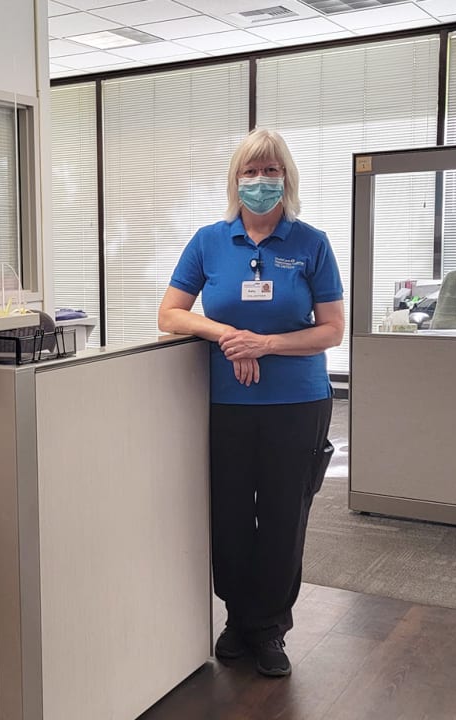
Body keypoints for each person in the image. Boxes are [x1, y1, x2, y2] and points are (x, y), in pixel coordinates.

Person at [157, 127, 344, 678]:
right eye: (250, 171)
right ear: (235, 180)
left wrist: (266, 344)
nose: (260, 181)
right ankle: (237, 619)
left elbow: (332, 330)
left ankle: (270, 628)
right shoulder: (209, 241)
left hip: (297, 402)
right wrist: (227, 335)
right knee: (232, 513)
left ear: (286, 178)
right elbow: (170, 314)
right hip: (227, 404)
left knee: (285, 515)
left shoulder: (311, 243)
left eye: (271, 171)